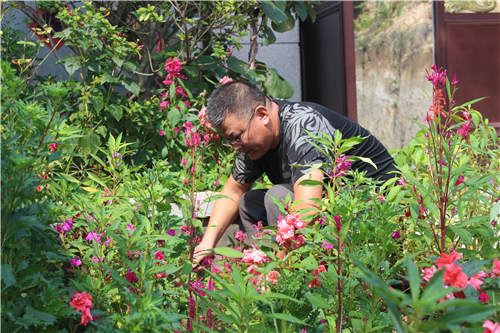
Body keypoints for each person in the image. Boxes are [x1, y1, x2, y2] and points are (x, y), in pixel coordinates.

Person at [192, 80, 397, 267]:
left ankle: (286, 275)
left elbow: (307, 208)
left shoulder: (304, 125)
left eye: (237, 137)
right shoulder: (254, 141)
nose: (236, 147)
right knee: (249, 201)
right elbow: (233, 192)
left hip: (376, 211)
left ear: (262, 115)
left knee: (278, 197)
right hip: (334, 209)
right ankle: (262, 265)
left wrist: (278, 270)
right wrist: (208, 243)